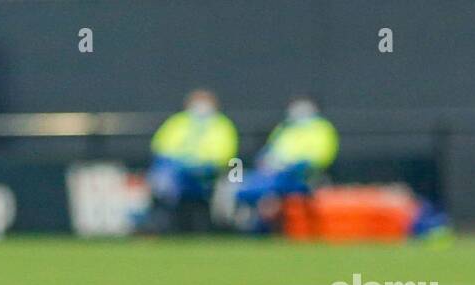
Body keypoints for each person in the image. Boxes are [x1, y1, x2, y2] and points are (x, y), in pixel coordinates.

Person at [234, 97, 339, 229]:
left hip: (301, 176)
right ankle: (251, 222)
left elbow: (321, 156)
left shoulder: (322, 129)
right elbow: (269, 151)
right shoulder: (285, 128)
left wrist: (294, 166)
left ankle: (261, 227)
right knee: (242, 184)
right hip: (274, 174)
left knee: (270, 192)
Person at [145, 90, 238, 232]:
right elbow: (160, 147)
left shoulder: (222, 125)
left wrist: (198, 165)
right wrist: (178, 163)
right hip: (177, 172)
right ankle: (158, 225)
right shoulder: (178, 122)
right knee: (162, 177)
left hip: (206, 173)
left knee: (229, 182)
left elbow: (225, 155)